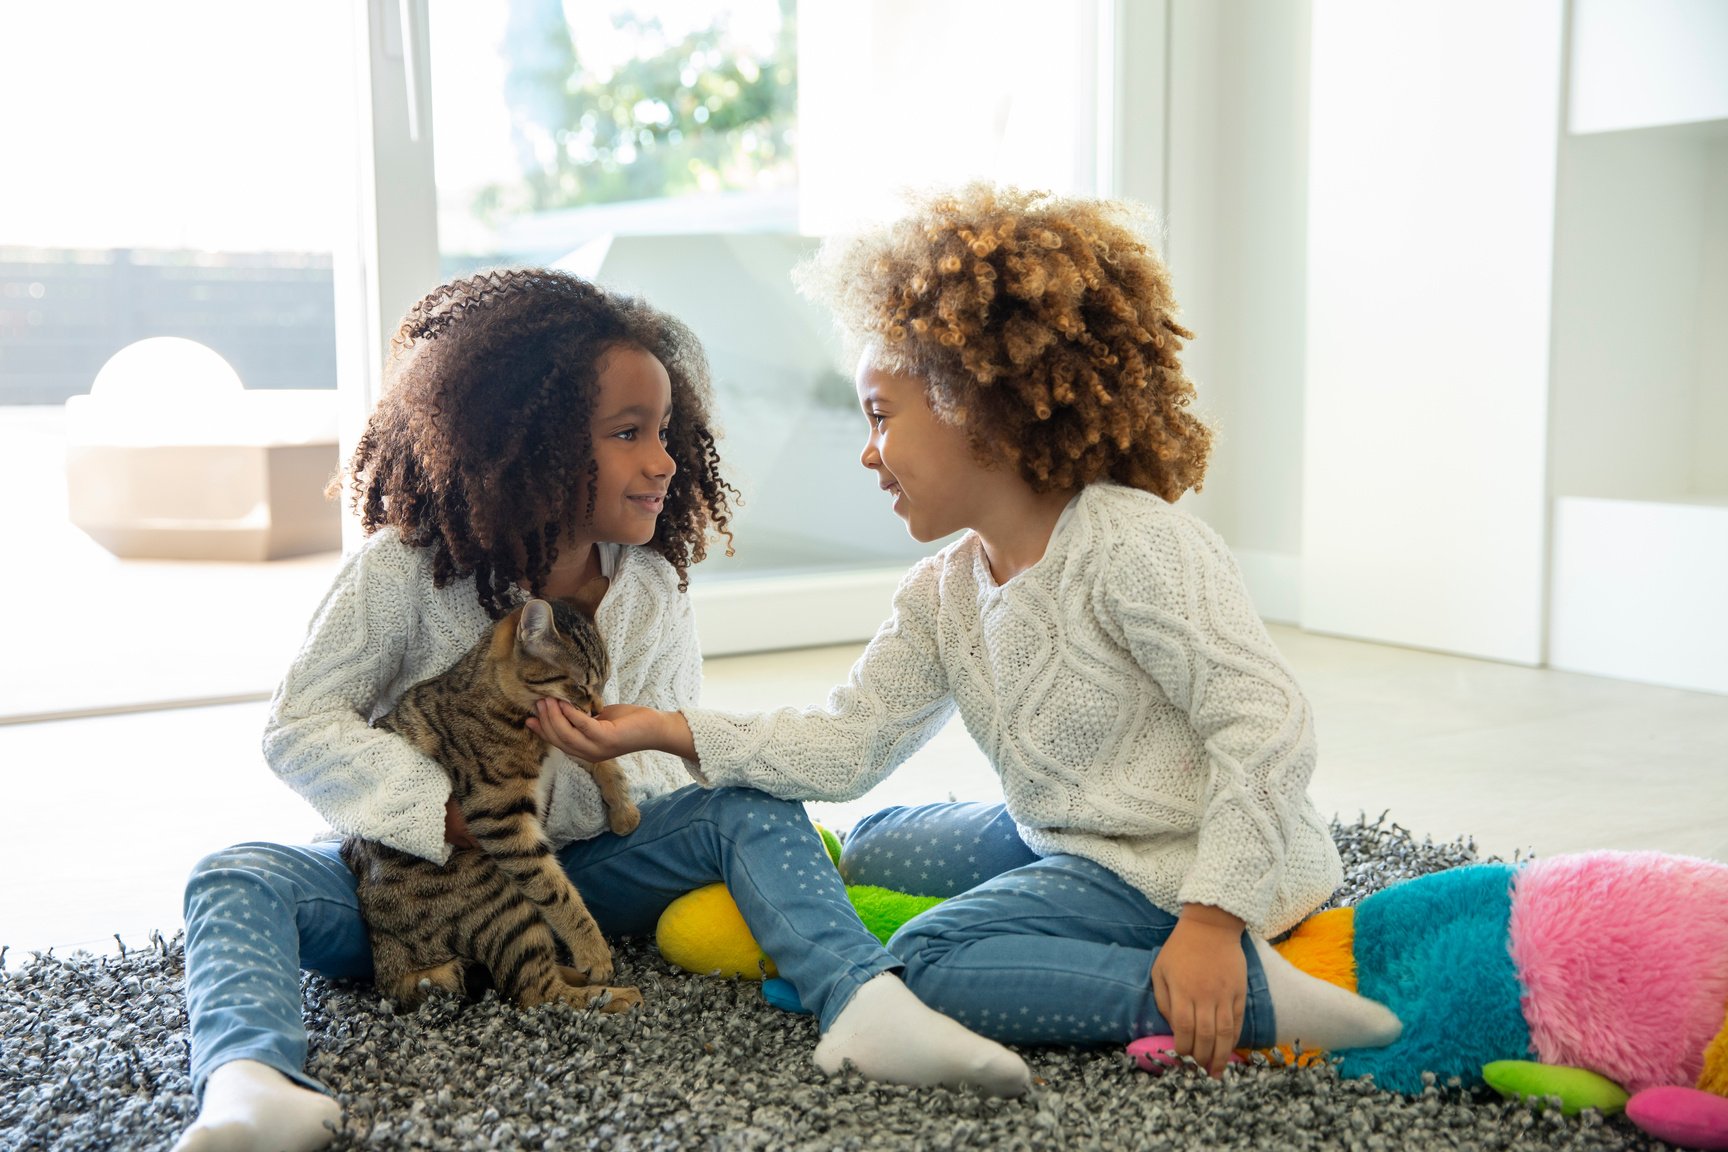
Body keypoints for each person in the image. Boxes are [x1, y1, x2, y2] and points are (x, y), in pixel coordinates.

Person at [533, 185, 1405, 1083]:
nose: (868, 452)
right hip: (1068, 834)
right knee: (872, 845)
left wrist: (1212, 921)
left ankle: (1254, 998)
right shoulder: (945, 589)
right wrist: (666, 730)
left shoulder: (1138, 546)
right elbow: (850, 742)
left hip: (1178, 865)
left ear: (978, 404)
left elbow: (1267, 727)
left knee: (925, 963)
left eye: (881, 414)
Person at [174, 269, 1030, 1152]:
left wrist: (598, 759)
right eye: (628, 434)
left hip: (582, 871)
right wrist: (441, 812)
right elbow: (300, 725)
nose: (662, 459)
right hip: (410, 888)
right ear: (529, 446)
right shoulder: (403, 572)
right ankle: (251, 1082)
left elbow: (660, 768)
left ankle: (863, 1002)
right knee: (234, 874)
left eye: (665, 432)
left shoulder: (650, 591)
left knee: (746, 806)